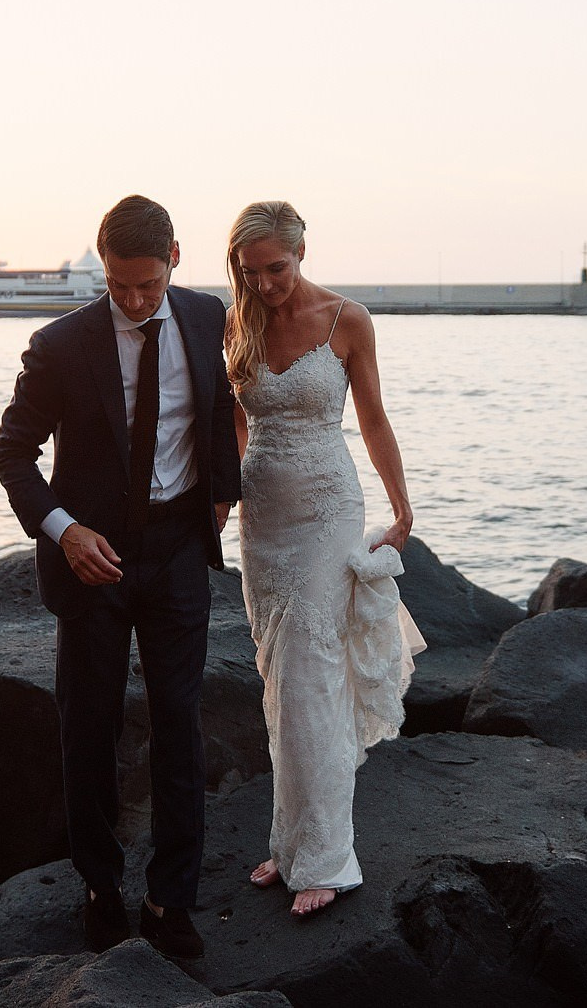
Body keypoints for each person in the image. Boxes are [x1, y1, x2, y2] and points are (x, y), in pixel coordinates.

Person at [0, 195, 240, 960]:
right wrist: (65, 532)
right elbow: (12, 452)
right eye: (118, 285)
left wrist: (222, 493)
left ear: (174, 256)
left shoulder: (207, 317)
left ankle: (171, 898)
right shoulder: (62, 344)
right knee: (88, 726)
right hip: (91, 560)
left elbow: (221, 405)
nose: (134, 301)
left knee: (179, 724)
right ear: (103, 268)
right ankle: (100, 887)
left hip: (175, 552)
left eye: (146, 284)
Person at [225, 200, 424, 917]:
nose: (266, 284)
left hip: (327, 513)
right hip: (263, 522)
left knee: (313, 675)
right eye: (252, 272)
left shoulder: (348, 320)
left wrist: (402, 505)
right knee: (279, 681)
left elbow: (371, 416)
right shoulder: (239, 320)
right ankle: (289, 843)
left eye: (276, 268)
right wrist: (221, 506)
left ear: (303, 251)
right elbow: (238, 421)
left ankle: (331, 858)